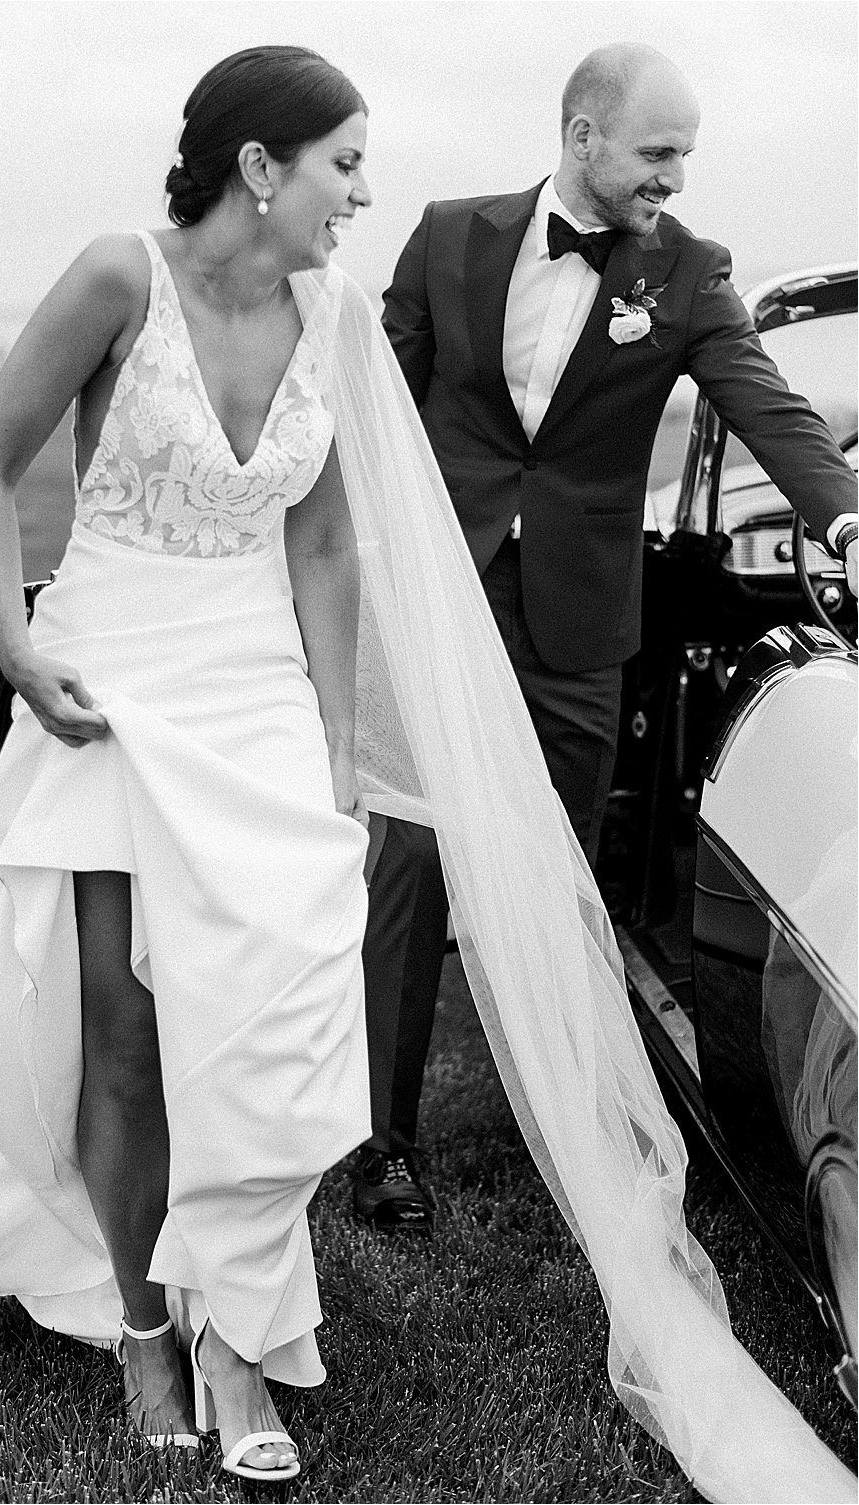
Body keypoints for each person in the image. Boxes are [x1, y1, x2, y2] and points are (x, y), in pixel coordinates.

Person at [0, 44, 854, 1504]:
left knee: (270, 1013)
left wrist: (328, 736)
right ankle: (144, 1325)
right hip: (109, 686)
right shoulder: (119, 280)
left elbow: (319, 540)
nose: (364, 191)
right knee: (121, 1029)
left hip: (259, 688)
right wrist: (21, 638)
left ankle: (243, 1324)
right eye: (344, 164)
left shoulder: (350, 312)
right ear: (261, 166)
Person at [353, 43, 859, 1233]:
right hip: (448, 594)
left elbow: (763, 402)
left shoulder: (686, 272)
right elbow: (374, 401)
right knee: (412, 865)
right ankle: (382, 1139)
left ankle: (566, 1121)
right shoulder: (446, 235)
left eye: (684, 154)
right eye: (656, 152)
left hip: (583, 618)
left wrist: (840, 510)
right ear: (581, 136)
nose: (674, 178)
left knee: (556, 873)